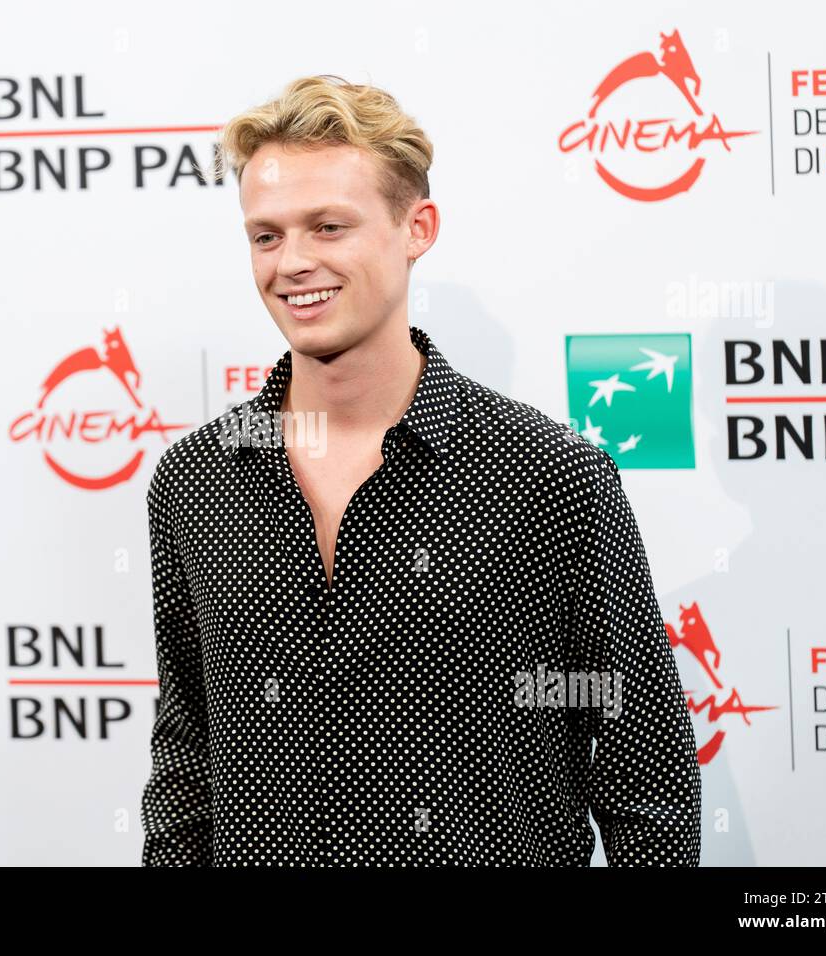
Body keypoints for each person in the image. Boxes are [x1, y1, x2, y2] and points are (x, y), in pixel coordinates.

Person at [139, 74, 701, 866]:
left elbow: (648, 780)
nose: (292, 263)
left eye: (328, 227)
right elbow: (188, 756)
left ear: (418, 228)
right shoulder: (198, 480)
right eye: (266, 236)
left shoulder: (550, 477)